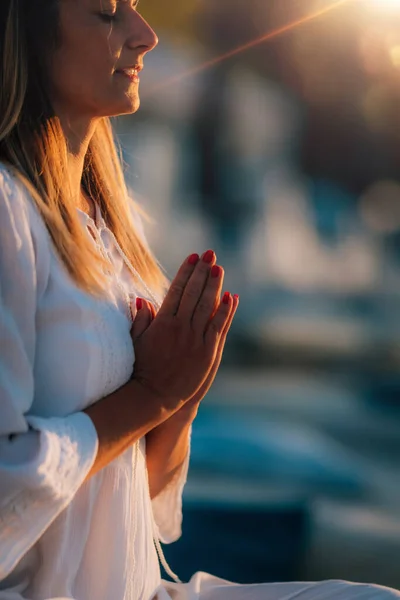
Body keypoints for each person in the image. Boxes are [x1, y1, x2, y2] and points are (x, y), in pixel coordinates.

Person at [0, 1, 399, 599]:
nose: (146, 36)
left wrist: (178, 398)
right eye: (109, 14)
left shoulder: (113, 227)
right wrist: (151, 394)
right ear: (23, 34)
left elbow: (141, 485)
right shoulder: (8, 212)